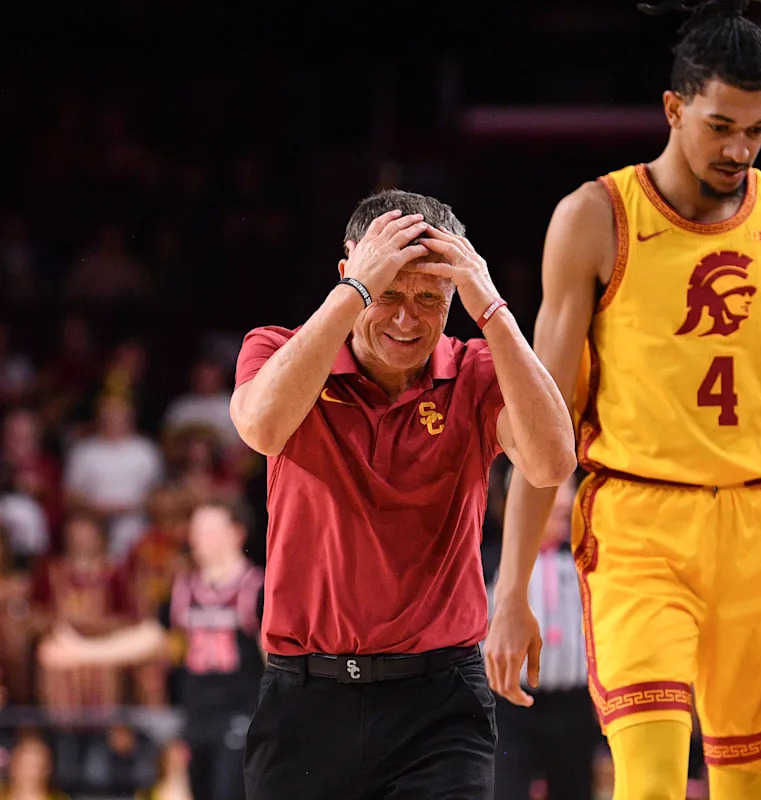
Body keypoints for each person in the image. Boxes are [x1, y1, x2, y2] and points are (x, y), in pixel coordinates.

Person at [488, 2, 761, 798]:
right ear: (673, 108)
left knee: (753, 789)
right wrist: (511, 587)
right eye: (720, 125)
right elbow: (540, 423)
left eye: (757, 130)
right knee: (652, 782)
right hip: (640, 525)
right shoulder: (596, 218)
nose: (739, 148)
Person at [229, 190, 575, 799]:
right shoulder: (278, 350)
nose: (406, 320)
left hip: (439, 703)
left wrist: (492, 307)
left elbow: (551, 464)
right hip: (306, 698)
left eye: (429, 300)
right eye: (388, 293)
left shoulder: (476, 371)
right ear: (350, 277)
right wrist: (353, 293)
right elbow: (261, 427)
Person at [39, 497, 264, 800]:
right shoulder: (184, 588)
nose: (196, 539)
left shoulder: (257, 588)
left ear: (236, 533)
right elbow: (150, 637)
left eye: (207, 530)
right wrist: (82, 651)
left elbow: (273, 658)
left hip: (243, 714)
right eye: (195, 530)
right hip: (195, 714)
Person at [490, 472, 601, 799]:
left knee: (576, 788)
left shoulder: (585, 560)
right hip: (510, 704)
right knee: (506, 788)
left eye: (566, 494)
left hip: (574, 703)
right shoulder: (494, 563)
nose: (562, 502)